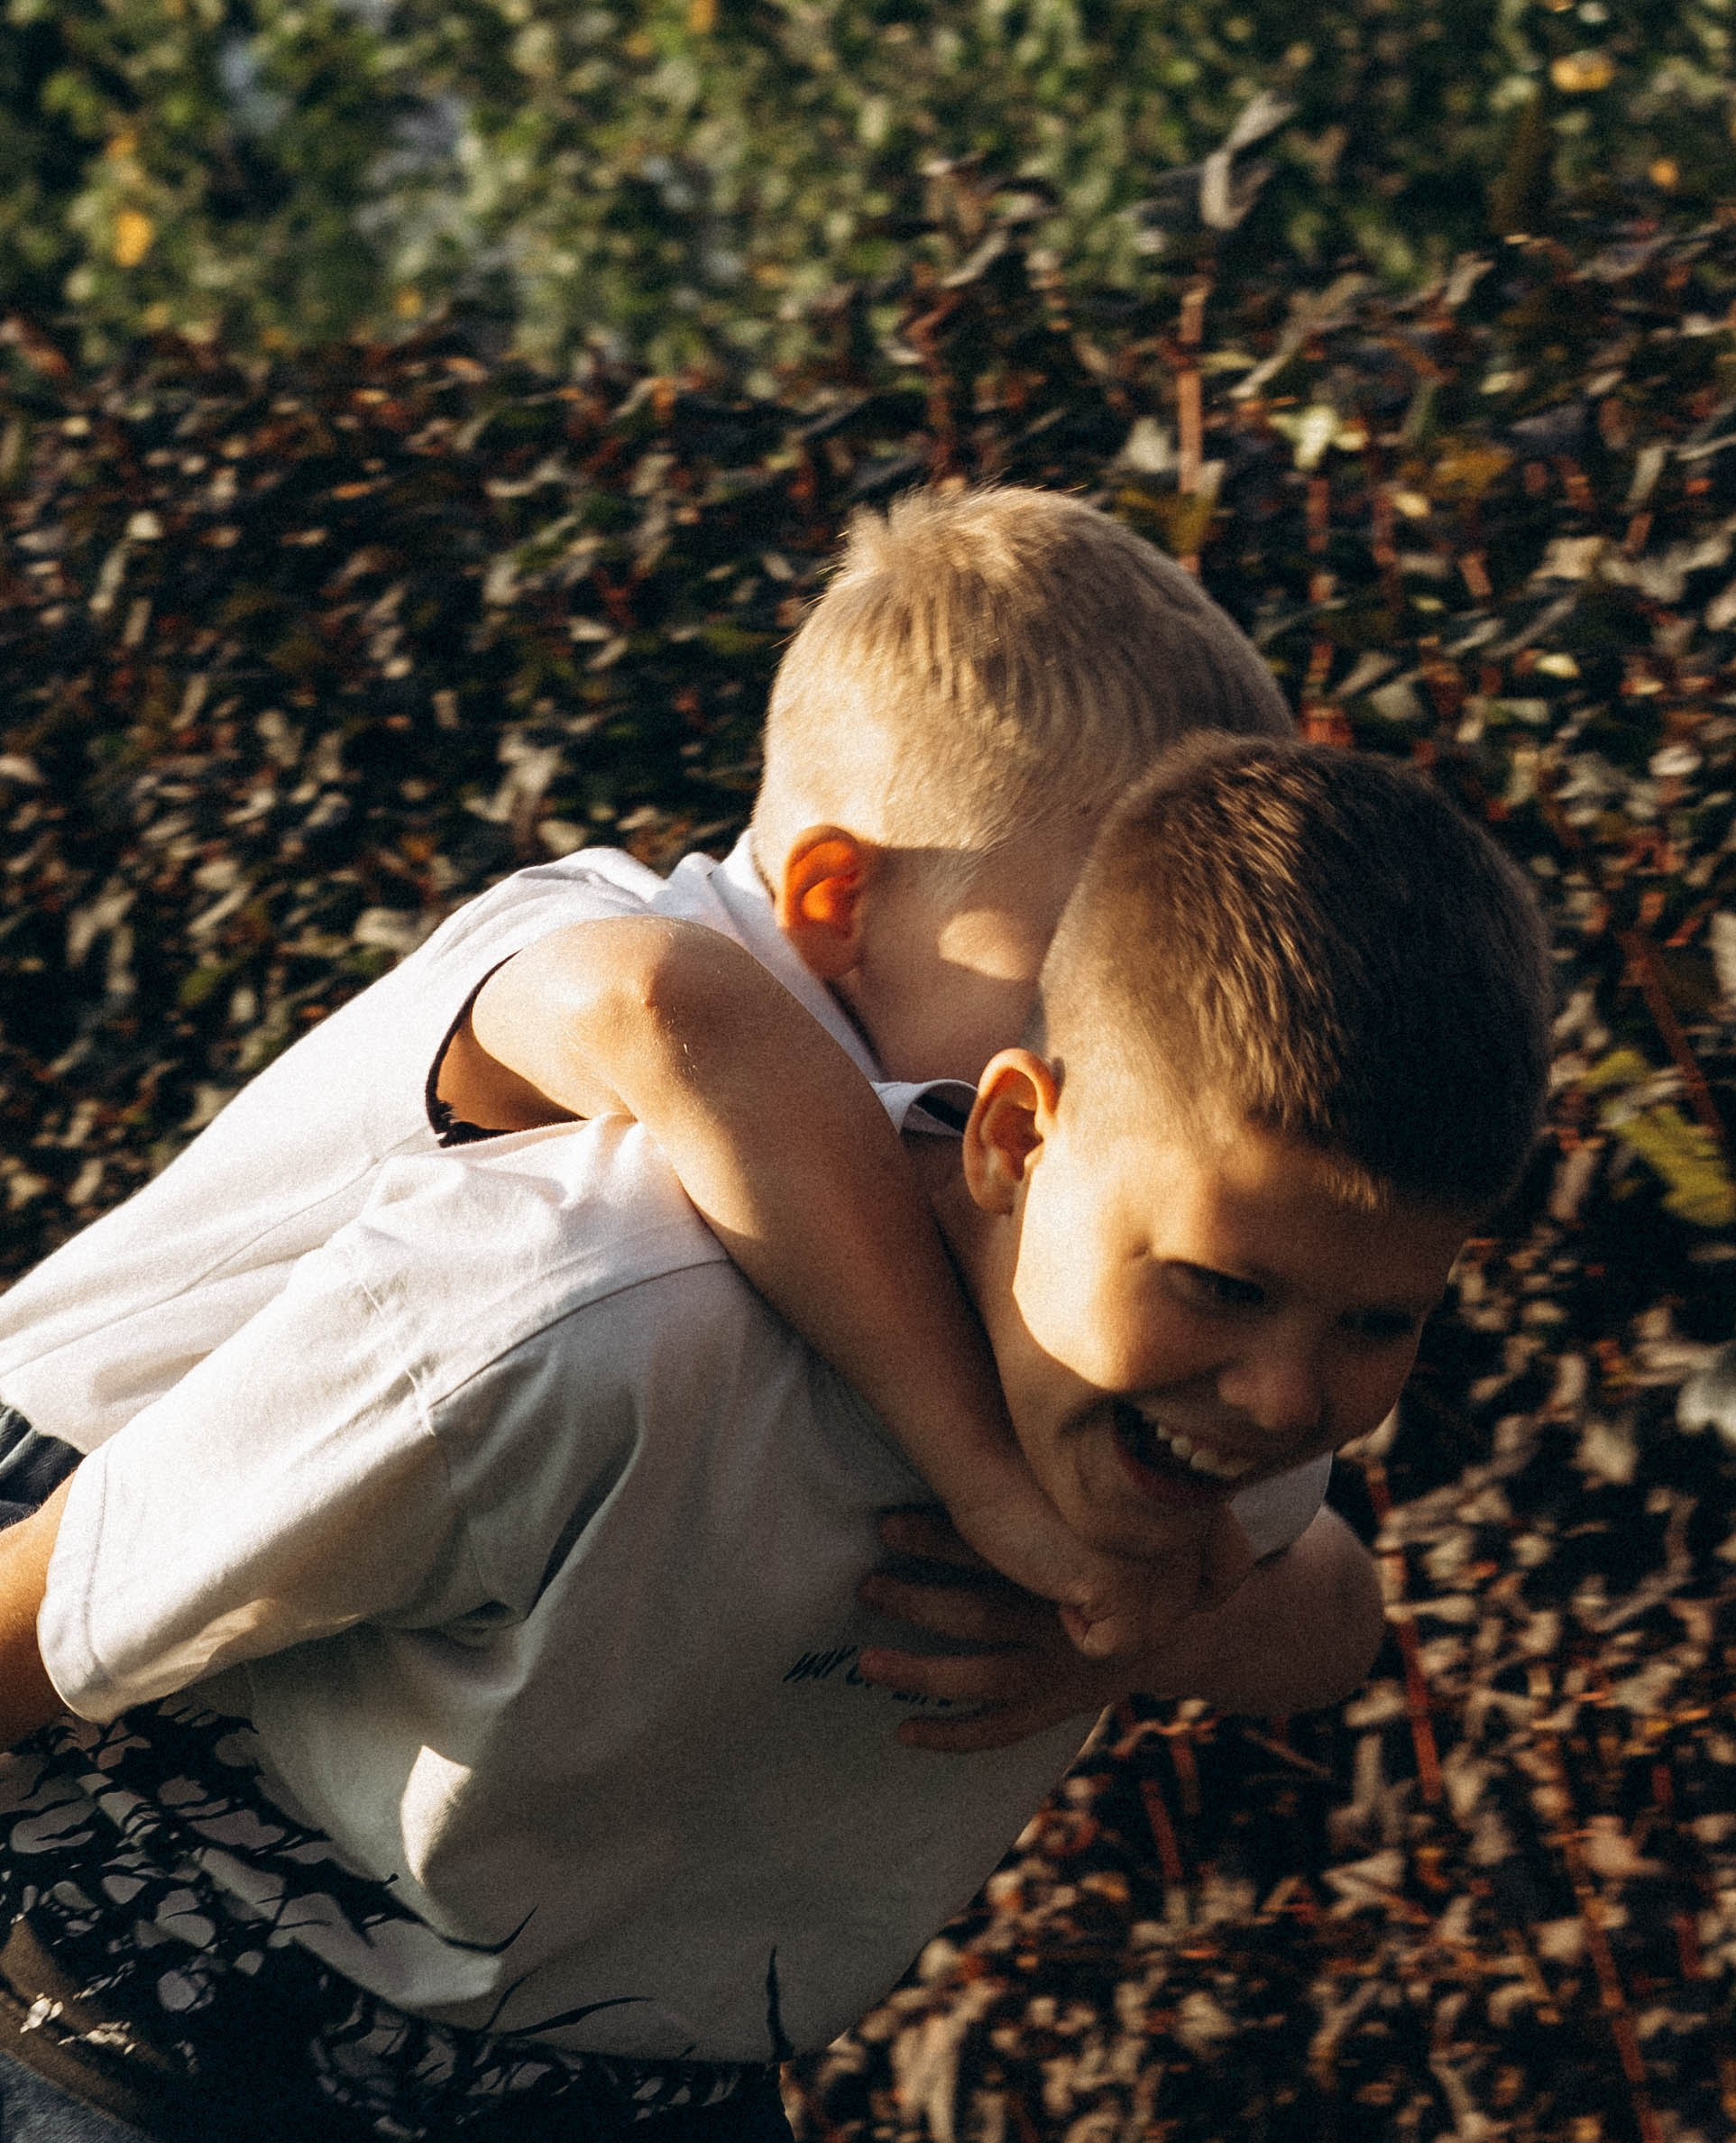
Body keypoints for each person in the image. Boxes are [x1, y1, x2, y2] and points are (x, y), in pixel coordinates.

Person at [0, 736, 1551, 2143]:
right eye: (1221, 1294)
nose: (1274, 1400)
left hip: (624, 2125)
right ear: (1009, 1137)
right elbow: (30, 1628)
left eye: (1374, 1328)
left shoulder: (1185, 1397)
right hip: (173, 2061)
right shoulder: (573, 1331)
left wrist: (1123, 1628)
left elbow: (1320, 1613)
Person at [0, 486, 1295, 1666]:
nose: (1130, 1045)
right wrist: (989, 1483)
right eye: (1072, 981)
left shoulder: (981, 1138)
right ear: (834, 897)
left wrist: (1143, 1621)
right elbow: (669, 1013)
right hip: (53, 1471)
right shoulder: (606, 931)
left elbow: (1327, 1591)